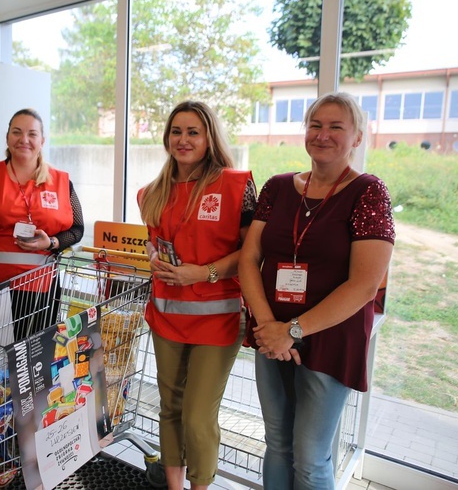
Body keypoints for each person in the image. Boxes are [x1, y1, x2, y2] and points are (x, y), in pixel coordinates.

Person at [238, 92, 395, 490]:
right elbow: (248, 258)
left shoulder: (369, 193)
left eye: (336, 127)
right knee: (276, 444)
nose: (322, 135)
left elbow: (364, 285)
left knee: (310, 456)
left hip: (329, 339)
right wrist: (270, 327)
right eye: (315, 125)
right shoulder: (277, 188)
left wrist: (290, 330)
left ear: (357, 137)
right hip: (271, 336)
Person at [137, 100, 257, 490]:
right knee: (169, 407)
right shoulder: (153, 192)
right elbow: (153, 241)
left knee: (196, 416)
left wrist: (201, 273)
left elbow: (250, 252)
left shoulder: (236, 185)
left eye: (193, 132)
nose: (183, 140)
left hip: (217, 321)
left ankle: (200, 486)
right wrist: (155, 256)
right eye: (176, 131)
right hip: (167, 316)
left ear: (209, 138)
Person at [0, 108, 84, 340]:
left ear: (42, 141)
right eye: (17, 132)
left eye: (32, 134)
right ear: (7, 138)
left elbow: (77, 229)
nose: (24, 139)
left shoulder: (61, 182)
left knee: (30, 360)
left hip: (39, 293)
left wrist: (52, 242)